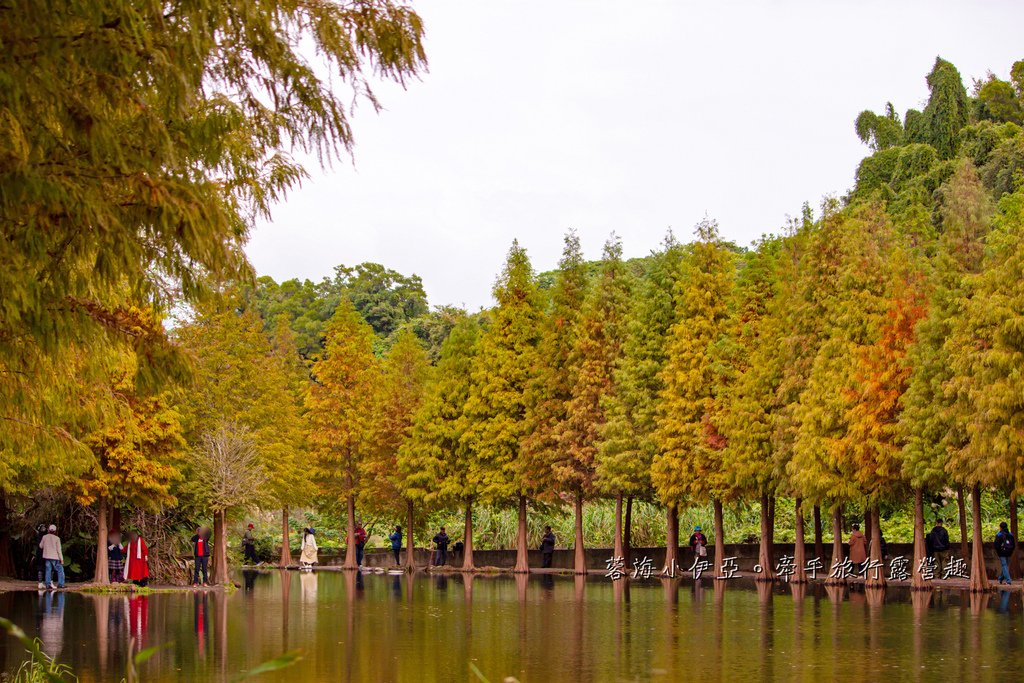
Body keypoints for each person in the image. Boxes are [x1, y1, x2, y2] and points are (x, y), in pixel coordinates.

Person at [39, 524, 65, 590]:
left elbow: (40, 546)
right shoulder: (57, 538)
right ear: (55, 531)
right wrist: (61, 559)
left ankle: (48, 585)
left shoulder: (44, 537)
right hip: (55, 557)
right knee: (60, 570)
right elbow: (59, 550)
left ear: (48, 530)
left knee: (48, 570)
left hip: (47, 557)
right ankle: (61, 584)